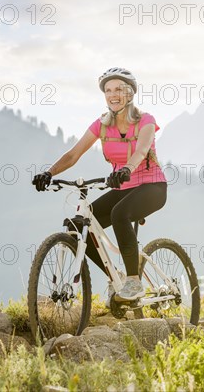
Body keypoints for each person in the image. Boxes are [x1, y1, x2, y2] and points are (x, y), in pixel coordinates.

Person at [32, 67, 167, 301]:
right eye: (108, 90)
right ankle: (118, 279)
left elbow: (142, 149)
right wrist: (49, 172)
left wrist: (126, 169)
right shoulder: (101, 124)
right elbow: (74, 155)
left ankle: (134, 282)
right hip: (122, 188)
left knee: (119, 214)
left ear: (130, 93)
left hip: (152, 187)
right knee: (77, 226)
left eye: (119, 89)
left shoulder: (145, 120)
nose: (113, 94)